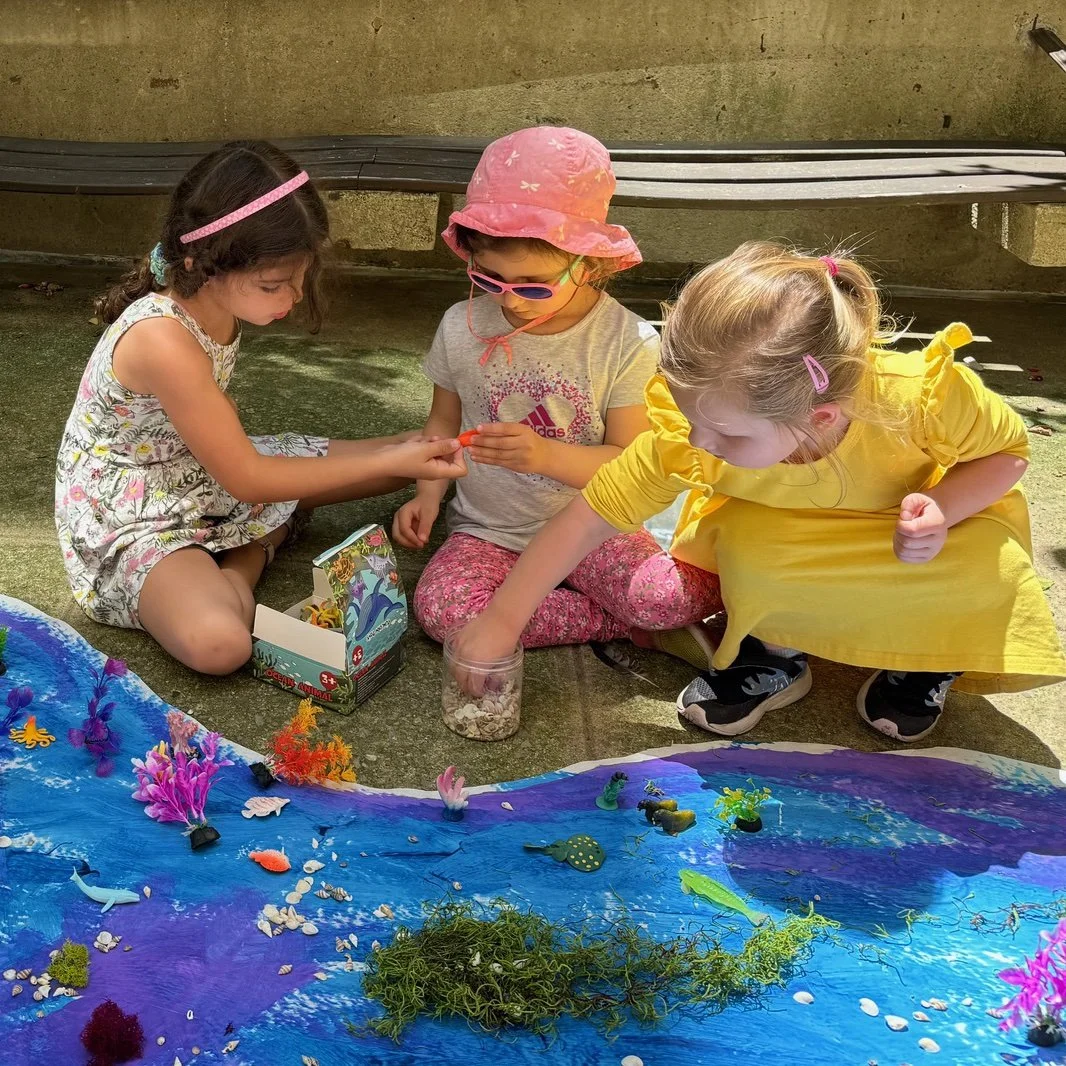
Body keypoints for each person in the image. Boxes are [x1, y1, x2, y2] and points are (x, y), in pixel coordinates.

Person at [450, 241, 1066, 742]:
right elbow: (589, 518)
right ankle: (774, 656)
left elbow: (1008, 454)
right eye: (691, 417)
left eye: (726, 432)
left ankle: (922, 660)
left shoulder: (920, 394)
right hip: (790, 538)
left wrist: (943, 508)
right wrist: (503, 619)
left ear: (820, 416)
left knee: (989, 571)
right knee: (746, 551)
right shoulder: (696, 430)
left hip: (912, 534)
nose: (699, 440)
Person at [56, 141, 464, 675]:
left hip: (203, 471)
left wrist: (408, 460)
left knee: (418, 453)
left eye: (299, 277)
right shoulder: (161, 337)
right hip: (132, 517)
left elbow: (233, 457)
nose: (293, 296)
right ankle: (253, 552)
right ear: (201, 262)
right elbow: (249, 478)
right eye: (274, 284)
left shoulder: (212, 302)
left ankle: (266, 527)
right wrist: (390, 464)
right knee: (221, 645)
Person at [391, 126, 722, 659]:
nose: (512, 301)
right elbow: (442, 425)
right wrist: (426, 494)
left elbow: (627, 464)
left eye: (533, 285)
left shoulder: (627, 343)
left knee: (669, 596)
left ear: (591, 264)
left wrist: (544, 455)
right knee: (444, 613)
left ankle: (642, 617)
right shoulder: (460, 325)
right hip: (490, 531)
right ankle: (625, 627)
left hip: (595, 528)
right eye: (489, 277)